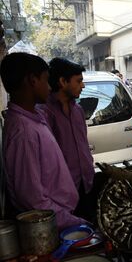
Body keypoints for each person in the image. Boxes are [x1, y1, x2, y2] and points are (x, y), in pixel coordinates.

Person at [1, 52, 86, 230]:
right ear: (32, 80)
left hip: (62, 215)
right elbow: (31, 199)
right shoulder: (23, 131)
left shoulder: (35, 117)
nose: (49, 87)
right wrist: (72, 222)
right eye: (46, 80)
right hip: (51, 224)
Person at [39, 58, 97, 223]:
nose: (83, 86)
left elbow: (83, 144)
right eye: (78, 81)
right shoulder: (45, 113)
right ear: (63, 82)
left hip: (86, 183)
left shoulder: (78, 110)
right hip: (62, 191)